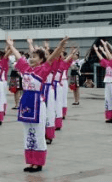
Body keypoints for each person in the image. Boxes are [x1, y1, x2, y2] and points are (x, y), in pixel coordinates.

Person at [7, 36, 68, 172]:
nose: (31, 58)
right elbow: (18, 57)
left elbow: (52, 58)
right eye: (31, 56)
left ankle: (38, 162)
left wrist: (60, 46)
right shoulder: (25, 69)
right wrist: (11, 46)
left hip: (37, 103)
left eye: (34, 56)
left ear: (41, 60)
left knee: (38, 132)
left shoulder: (43, 70)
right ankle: (30, 161)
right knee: (28, 133)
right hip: (26, 102)